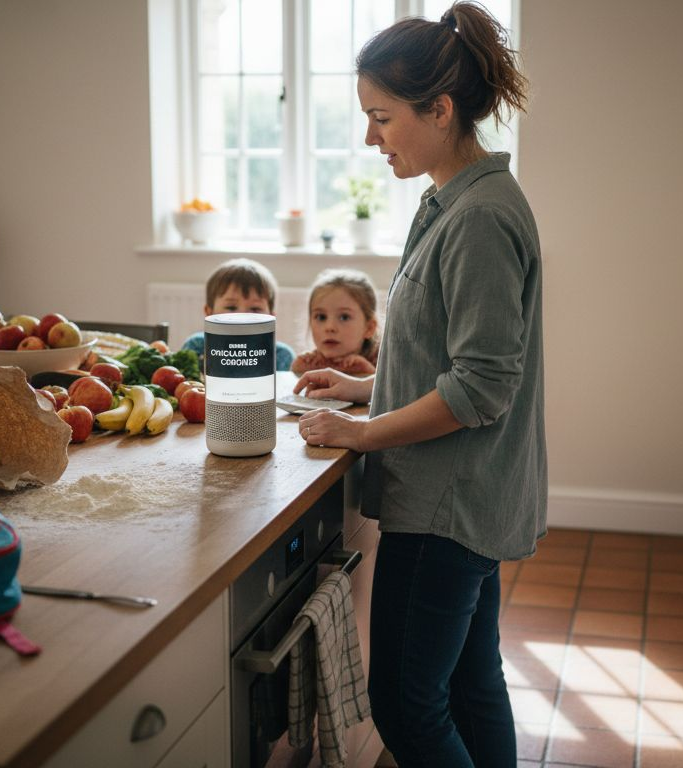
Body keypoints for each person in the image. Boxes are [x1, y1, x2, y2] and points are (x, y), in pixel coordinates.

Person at [293, 3, 542, 766]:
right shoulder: (454, 201)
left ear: (439, 110)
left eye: (381, 117)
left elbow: (478, 388)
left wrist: (363, 433)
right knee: (470, 683)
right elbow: (443, 358)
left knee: (405, 705)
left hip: (445, 506)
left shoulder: (476, 220)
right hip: (463, 496)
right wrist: (361, 388)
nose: (371, 138)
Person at [179, 257, 295, 372]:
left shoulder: (281, 356)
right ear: (209, 313)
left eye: (255, 309)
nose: (242, 318)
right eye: (231, 308)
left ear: (271, 318)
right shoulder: (197, 346)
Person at [290, 268, 382, 377]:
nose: (329, 327)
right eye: (321, 317)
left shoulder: (385, 363)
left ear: (369, 328)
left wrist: (368, 376)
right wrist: (297, 371)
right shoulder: (312, 362)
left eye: (344, 317)